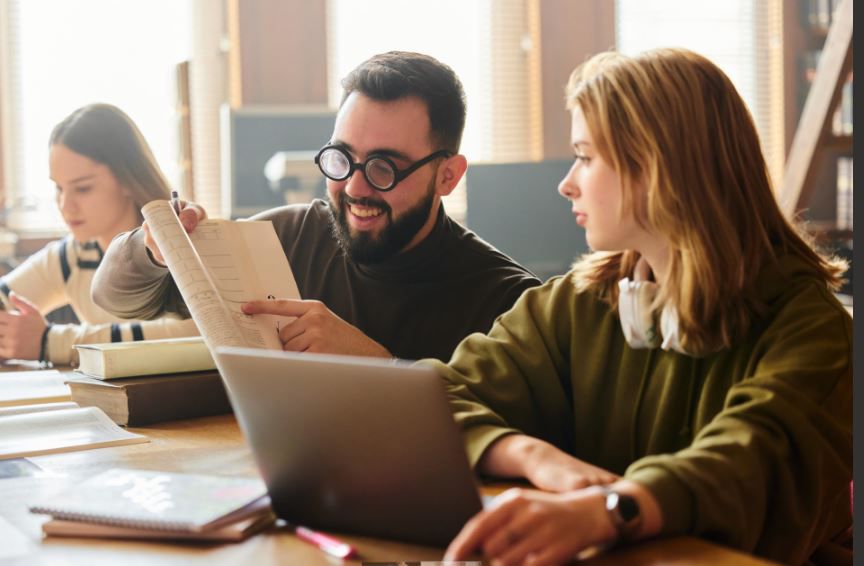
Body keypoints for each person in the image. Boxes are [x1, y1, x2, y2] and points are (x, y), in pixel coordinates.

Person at [427, 48, 852, 565]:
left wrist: (606, 510)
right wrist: (533, 456)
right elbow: (437, 400)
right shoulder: (576, 303)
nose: (567, 183)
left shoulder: (814, 330)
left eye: (586, 156)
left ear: (657, 166)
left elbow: (745, 463)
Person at [92, 51, 541, 361]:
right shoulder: (284, 240)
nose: (355, 187)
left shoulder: (505, 301)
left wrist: (380, 366)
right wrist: (154, 247)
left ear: (448, 175)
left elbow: (511, 430)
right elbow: (115, 297)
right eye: (342, 158)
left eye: (385, 167)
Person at [0, 104, 199, 366]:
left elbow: (191, 334)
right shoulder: (73, 256)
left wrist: (52, 342)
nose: (65, 205)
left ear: (128, 180)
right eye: (59, 188)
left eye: (82, 189)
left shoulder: (180, 243)